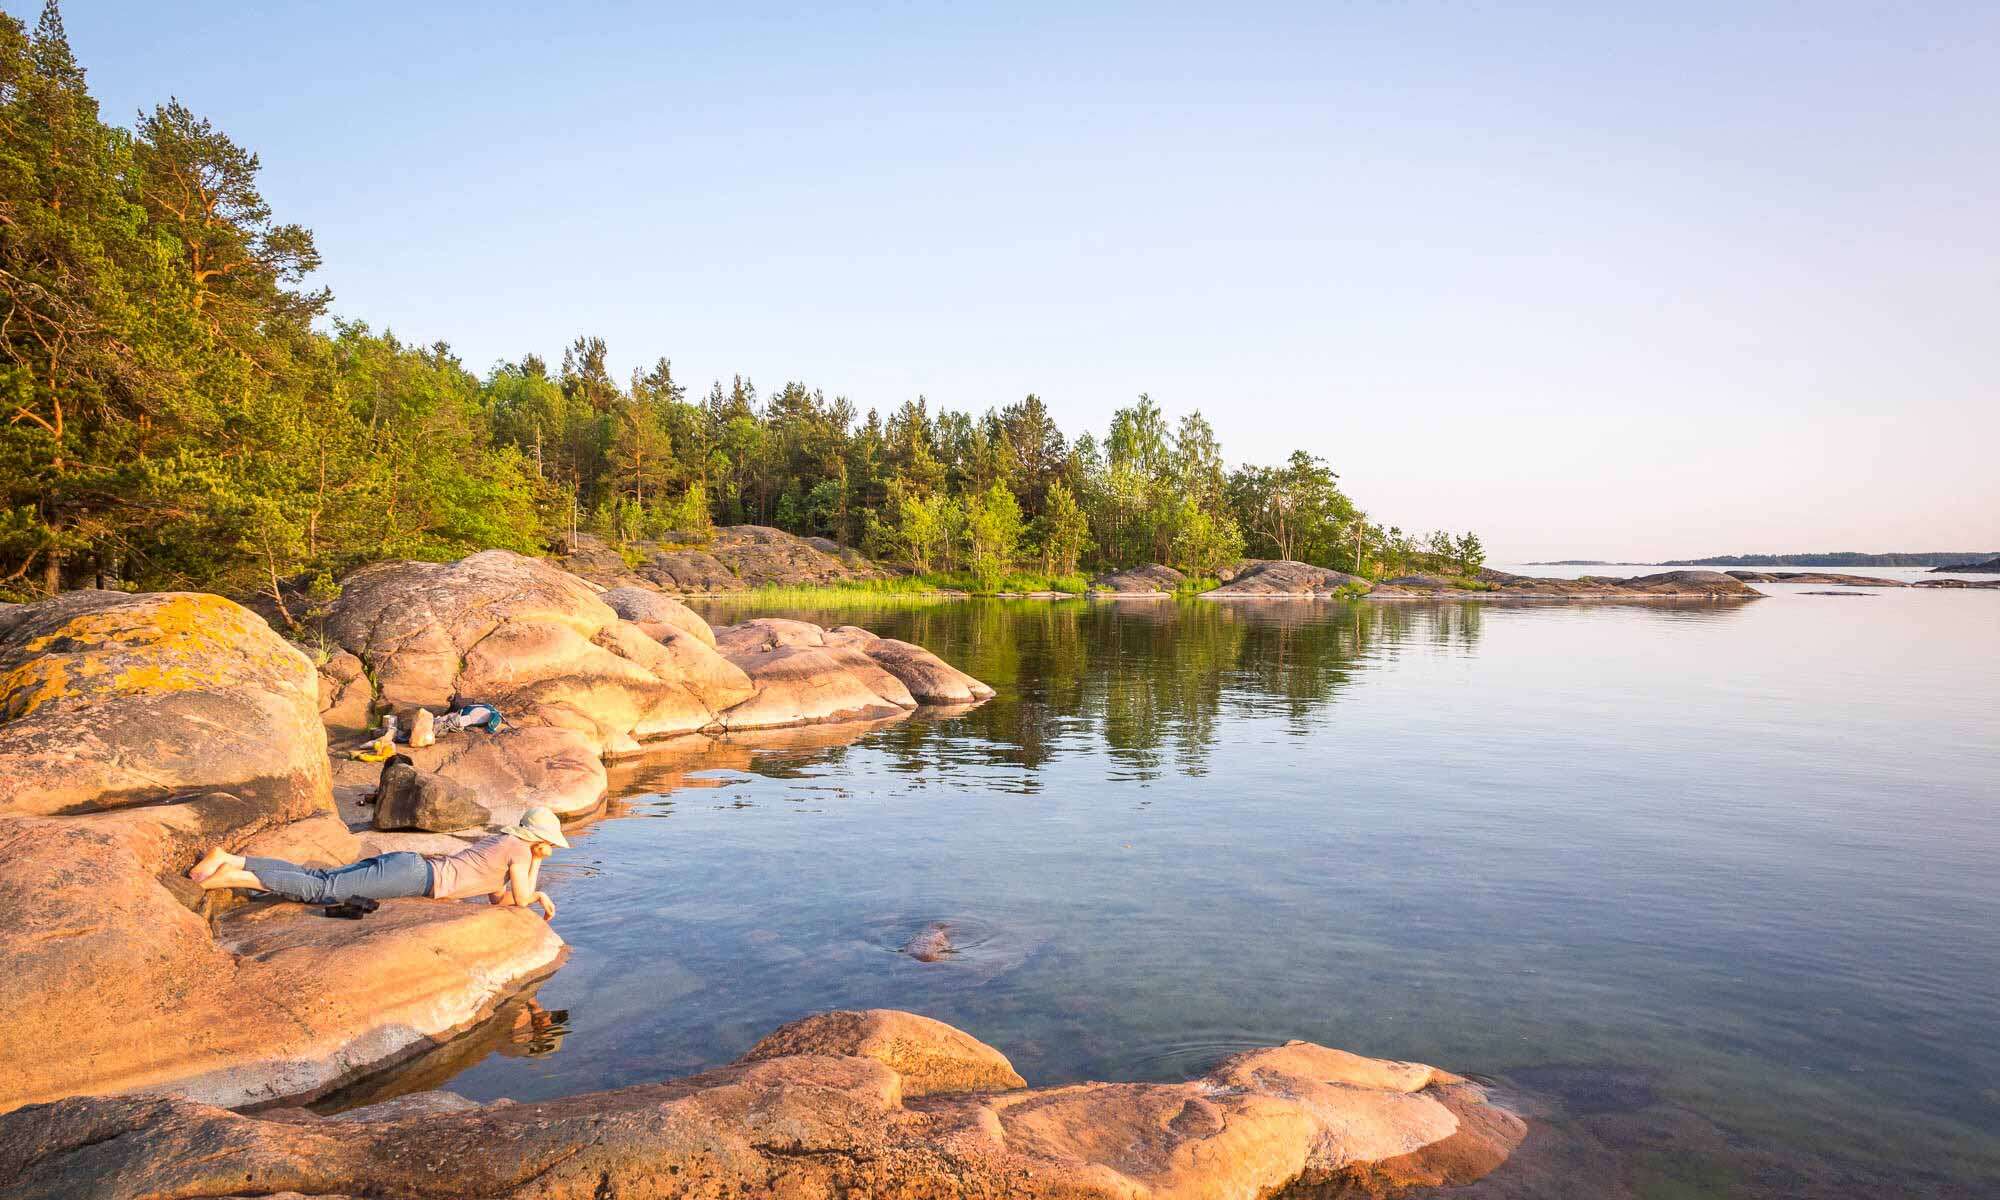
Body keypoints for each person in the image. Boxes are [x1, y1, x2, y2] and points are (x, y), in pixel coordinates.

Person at [188, 807, 569, 921]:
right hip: (416, 876)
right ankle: (235, 877)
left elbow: (498, 900)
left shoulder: (503, 845)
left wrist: (531, 880)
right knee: (323, 890)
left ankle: (231, 858)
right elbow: (520, 901)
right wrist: (539, 890)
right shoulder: (519, 850)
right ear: (539, 840)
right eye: (549, 844)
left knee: (320, 877)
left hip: (411, 866)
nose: (549, 849)